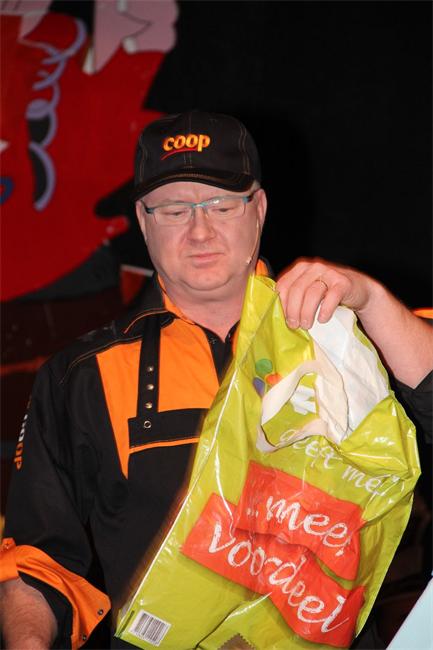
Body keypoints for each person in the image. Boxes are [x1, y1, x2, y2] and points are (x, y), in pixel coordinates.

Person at [1, 110, 432, 650]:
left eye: (222, 206)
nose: (200, 231)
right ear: (143, 221)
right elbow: (38, 562)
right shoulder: (81, 376)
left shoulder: (348, 336)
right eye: (174, 210)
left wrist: (370, 300)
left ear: (260, 209)